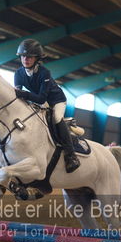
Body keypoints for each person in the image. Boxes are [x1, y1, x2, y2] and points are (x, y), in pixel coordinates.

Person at [14, 39, 80, 173]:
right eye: (23, 56)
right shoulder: (18, 73)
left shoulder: (44, 73)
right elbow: (17, 95)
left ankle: (71, 155)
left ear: (37, 58)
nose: (25, 59)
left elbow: (41, 98)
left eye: (29, 57)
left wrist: (24, 94)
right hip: (37, 100)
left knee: (55, 118)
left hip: (56, 100)